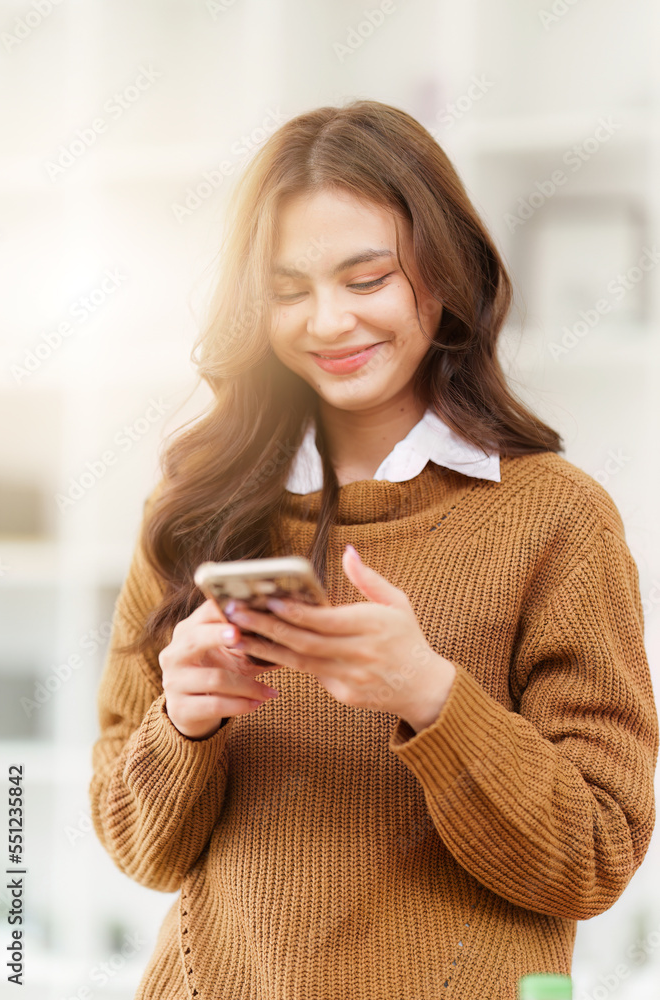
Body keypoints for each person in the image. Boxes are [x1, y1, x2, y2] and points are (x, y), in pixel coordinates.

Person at [89, 99, 658, 999]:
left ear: (443, 275)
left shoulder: (556, 520)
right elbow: (137, 850)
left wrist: (430, 697)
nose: (326, 323)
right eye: (287, 291)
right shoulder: (193, 512)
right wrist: (184, 723)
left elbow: (592, 859)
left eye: (366, 279)